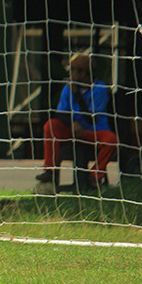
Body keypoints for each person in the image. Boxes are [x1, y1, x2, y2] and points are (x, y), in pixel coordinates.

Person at [34, 53, 118, 193]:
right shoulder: (68, 88)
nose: (71, 74)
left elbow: (91, 117)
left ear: (84, 73)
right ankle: (49, 170)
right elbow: (60, 113)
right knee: (51, 125)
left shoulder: (100, 89)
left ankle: (95, 175)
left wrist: (77, 95)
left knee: (111, 140)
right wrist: (73, 123)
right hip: (73, 130)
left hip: (93, 130)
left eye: (73, 70)